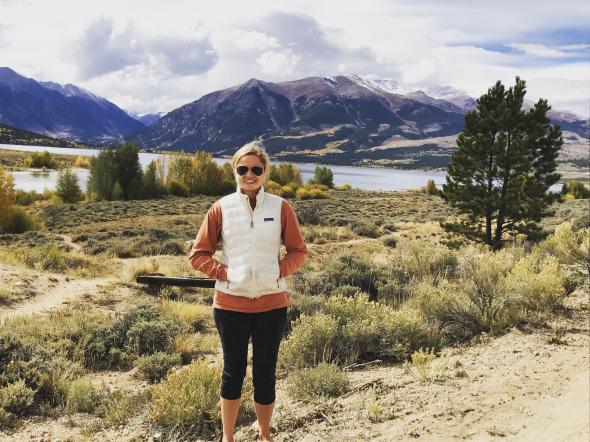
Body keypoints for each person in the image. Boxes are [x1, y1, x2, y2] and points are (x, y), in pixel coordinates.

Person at [189, 141, 308, 442]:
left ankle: (264, 435)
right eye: (243, 169)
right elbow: (198, 255)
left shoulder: (281, 207)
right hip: (230, 307)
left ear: (265, 172)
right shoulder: (221, 208)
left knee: (265, 374)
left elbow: (298, 250)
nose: (250, 174)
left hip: (272, 305)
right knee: (233, 372)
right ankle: (228, 438)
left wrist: (278, 270)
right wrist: (225, 273)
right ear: (235, 172)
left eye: (256, 169)